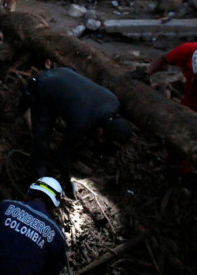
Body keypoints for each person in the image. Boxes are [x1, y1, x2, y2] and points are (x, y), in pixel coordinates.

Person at [22, 67, 133, 196]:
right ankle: (37, 173)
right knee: (42, 137)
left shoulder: (113, 102)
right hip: (45, 85)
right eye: (102, 139)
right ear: (100, 131)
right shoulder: (82, 122)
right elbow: (61, 155)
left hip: (63, 72)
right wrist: (68, 184)